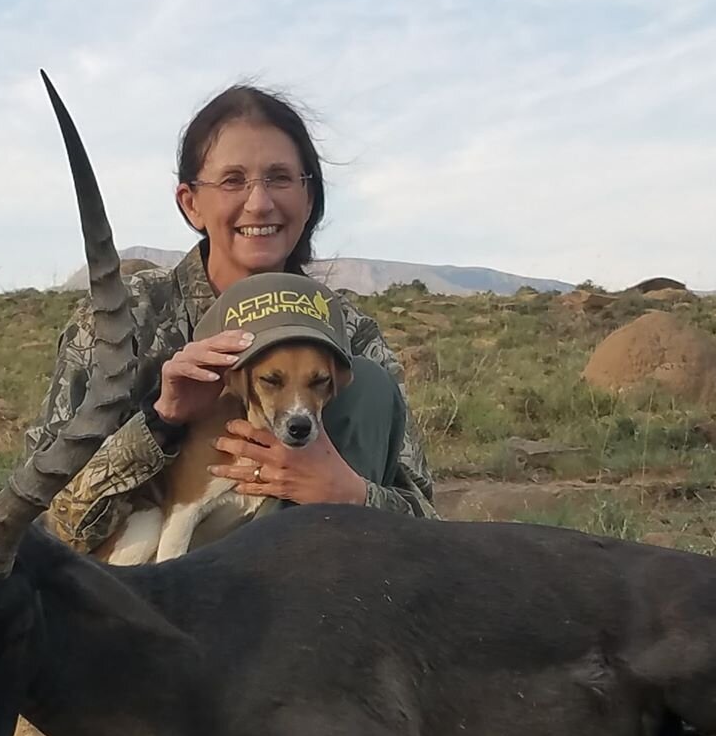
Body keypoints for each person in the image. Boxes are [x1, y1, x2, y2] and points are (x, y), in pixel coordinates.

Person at [26, 83, 436, 555]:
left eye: (280, 178)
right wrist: (161, 422)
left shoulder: (347, 331)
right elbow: (49, 523)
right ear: (190, 203)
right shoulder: (125, 319)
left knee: (367, 385)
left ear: (309, 197)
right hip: (144, 592)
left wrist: (350, 495)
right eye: (232, 180)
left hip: (316, 594)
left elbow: (429, 527)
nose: (259, 203)